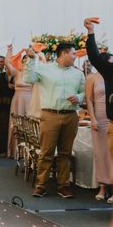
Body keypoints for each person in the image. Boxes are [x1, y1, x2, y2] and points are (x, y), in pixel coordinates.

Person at [25, 42, 85, 198]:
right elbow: (28, 78)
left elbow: (84, 92)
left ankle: (63, 185)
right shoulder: (45, 69)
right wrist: (31, 60)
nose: (75, 56)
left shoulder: (78, 74)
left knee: (65, 153)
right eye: (73, 54)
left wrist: (79, 97)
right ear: (63, 53)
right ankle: (41, 185)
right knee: (46, 152)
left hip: (71, 116)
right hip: (50, 114)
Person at [85, 66, 113, 202]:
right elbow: (89, 100)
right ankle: (102, 187)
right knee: (101, 154)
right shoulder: (92, 78)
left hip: (111, 119)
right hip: (99, 119)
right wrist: (92, 118)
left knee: (111, 155)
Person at [5, 45, 32, 157]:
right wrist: (9, 50)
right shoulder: (17, 72)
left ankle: (29, 152)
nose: (26, 61)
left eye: (28, 60)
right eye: (24, 59)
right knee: (16, 124)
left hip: (31, 100)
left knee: (30, 125)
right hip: (18, 99)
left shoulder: (34, 74)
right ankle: (15, 150)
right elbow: (7, 63)